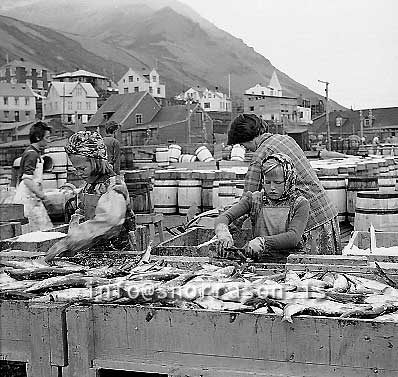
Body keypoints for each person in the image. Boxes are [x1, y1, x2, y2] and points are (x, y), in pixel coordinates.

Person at [227, 113, 341, 255]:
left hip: (307, 224)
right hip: (326, 214)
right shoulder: (285, 139)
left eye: (242, 144)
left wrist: (228, 225)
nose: (246, 148)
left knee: (307, 273)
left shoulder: (260, 156)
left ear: (245, 138)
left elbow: (247, 200)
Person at [44, 131, 135, 263]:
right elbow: (80, 212)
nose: (78, 173)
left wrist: (72, 240)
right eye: (76, 169)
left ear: (97, 161)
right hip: (94, 253)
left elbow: (110, 220)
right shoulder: (88, 186)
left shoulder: (114, 186)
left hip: (118, 256)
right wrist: (73, 232)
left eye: (82, 168)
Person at [215, 153, 310, 262]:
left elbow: (293, 237)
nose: (272, 188)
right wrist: (223, 232)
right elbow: (225, 217)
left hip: (291, 261)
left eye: (278, 183)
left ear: (289, 180)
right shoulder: (255, 199)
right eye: (267, 182)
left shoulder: (300, 203)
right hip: (261, 259)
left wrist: (263, 242)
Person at [13, 121, 53, 232]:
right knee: (36, 231)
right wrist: (43, 196)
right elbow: (27, 180)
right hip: (27, 198)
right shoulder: (32, 154)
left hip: (33, 197)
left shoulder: (35, 153)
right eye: (47, 137)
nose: (49, 140)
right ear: (37, 137)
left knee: (42, 229)